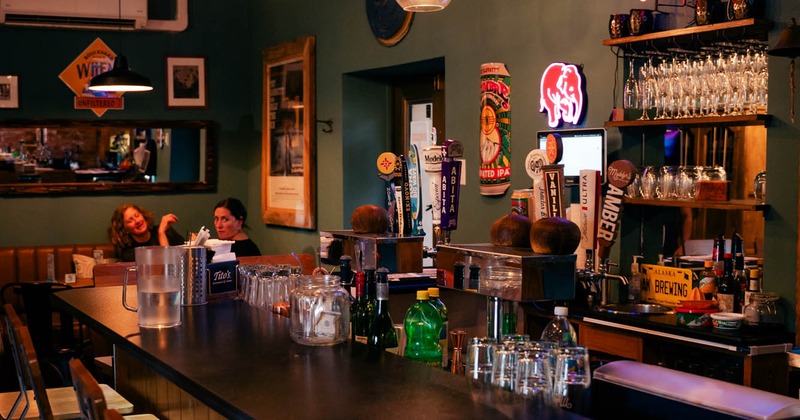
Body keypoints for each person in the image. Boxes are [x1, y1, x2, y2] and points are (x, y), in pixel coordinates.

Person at [109, 204, 185, 262]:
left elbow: (185, 252)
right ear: (125, 229)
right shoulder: (128, 250)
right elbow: (166, 263)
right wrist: (161, 233)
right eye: (130, 221)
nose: (137, 221)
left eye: (137, 215)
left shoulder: (167, 231)